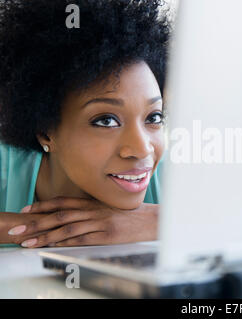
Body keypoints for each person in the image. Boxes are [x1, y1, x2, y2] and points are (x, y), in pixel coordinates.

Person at [0, 0, 171, 248]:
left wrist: (157, 221)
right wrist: (45, 228)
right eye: (106, 121)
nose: (142, 149)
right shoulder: (5, 166)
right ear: (46, 132)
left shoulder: (172, 174)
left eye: (153, 117)